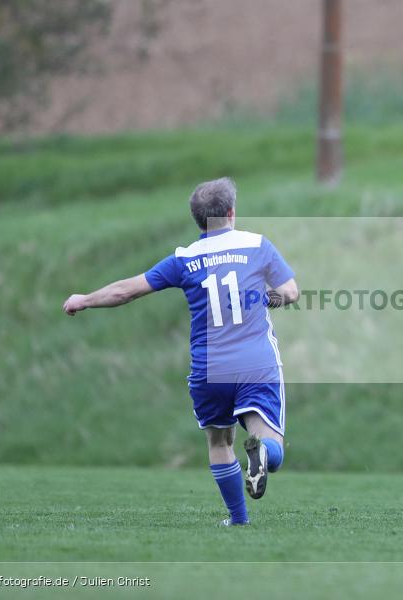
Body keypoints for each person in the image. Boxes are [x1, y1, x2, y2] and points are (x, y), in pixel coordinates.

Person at [63, 177, 298, 527]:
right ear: (231, 212)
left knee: (220, 442)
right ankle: (264, 452)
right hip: (256, 363)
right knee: (269, 440)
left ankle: (238, 518)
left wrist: (85, 299)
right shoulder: (258, 246)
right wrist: (263, 299)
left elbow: (126, 290)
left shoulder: (184, 259)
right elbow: (290, 292)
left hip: (209, 368)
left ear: (198, 220)